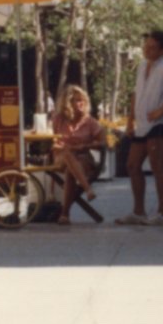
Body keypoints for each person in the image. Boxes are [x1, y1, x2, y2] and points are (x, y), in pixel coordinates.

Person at [116, 31, 163, 227]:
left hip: (158, 124)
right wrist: (130, 120)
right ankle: (138, 211)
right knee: (132, 165)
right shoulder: (142, 65)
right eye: (146, 46)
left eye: (152, 47)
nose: (147, 50)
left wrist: (162, 109)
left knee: (157, 166)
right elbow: (135, 93)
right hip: (142, 124)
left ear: (162, 50)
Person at [51, 84, 102, 225]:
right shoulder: (58, 120)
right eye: (77, 100)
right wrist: (62, 146)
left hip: (83, 159)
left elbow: (102, 143)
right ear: (68, 103)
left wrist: (84, 146)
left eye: (83, 100)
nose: (81, 103)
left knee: (70, 171)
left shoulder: (90, 122)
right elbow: (53, 141)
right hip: (61, 157)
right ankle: (87, 188)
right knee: (67, 153)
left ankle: (65, 214)